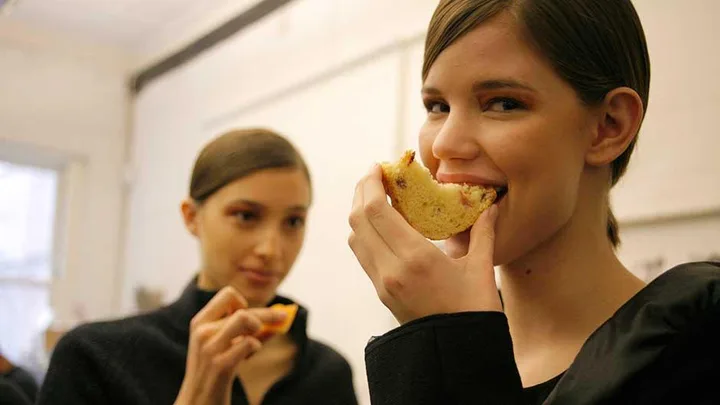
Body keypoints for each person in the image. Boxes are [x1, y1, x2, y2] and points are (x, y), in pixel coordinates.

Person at [347, 0, 720, 404]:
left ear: (608, 127)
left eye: (503, 103)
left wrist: (448, 346)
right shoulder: (425, 326)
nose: (444, 144)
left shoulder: (697, 347)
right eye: (437, 106)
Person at [38, 129, 358, 405]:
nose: (271, 250)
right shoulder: (96, 356)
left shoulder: (329, 372)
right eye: (246, 216)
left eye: (293, 221)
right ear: (192, 217)